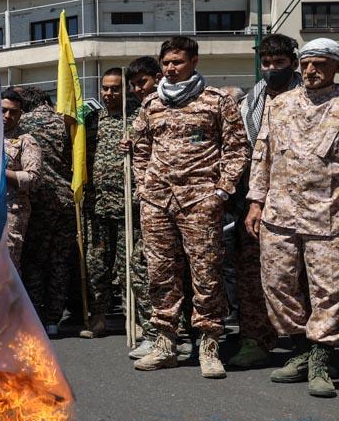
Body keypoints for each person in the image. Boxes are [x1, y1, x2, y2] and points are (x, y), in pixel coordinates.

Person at [131, 36, 248, 378]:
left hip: (200, 201)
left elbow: (237, 148)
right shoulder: (152, 103)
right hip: (157, 201)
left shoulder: (216, 102)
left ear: (194, 62)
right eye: (166, 62)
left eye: (178, 61)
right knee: (160, 273)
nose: (170, 68)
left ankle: (208, 346)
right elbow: (141, 148)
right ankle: (165, 343)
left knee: (206, 272)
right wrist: (143, 186)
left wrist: (222, 192)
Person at [246, 38, 339, 398]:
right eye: (307, 64)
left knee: (328, 291)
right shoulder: (280, 104)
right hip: (279, 212)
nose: (311, 71)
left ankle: (321, 356)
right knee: (276, 283)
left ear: (334, 68)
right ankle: (300, 348)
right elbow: (263, 154)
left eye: (321, 65)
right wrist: (255, 201)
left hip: (327, 214)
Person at [229, 35, 300, 368]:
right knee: (251, 274)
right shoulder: (249, 101)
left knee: (305, 277)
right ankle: (255, 340)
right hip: (256, 202)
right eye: (267, 63)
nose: (272, 70)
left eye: (280, 63)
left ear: (294, 63)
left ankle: (311, 348)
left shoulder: (315, 97)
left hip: (306, 206)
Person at [18, 86, 76, 335]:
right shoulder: (67, 121)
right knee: (60, 260)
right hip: (65, 200)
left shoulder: (22, 122)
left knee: (34, 261)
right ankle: (54, 319)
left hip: (37, 199)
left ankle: (34, 316)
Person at [82, 68, 127, 338]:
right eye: (106, 88)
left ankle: (132, 317)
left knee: (129, 264)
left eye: (115, 88)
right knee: (97, 263)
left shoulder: (134, 118)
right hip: (96, 206)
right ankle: (98, 317)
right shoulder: (92, 121)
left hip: (126, 205)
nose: (109, 93)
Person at [123, 56, 160, 360]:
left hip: (181, 204)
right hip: (149, 205)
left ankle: (181, 335)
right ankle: (156, 333)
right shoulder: (143, 112)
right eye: (133, 85)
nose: (137, 89)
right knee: (142, 267)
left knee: (168, 272)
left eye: (142, 82)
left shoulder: (178, 107)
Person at [2, 88, 41, 268]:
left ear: (20, 115)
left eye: (13, 112)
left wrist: (0, 173)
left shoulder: (26, 141)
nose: (7, 115)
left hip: (11, 211)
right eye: (3, 110)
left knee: (8, 267)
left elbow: (33, 179)